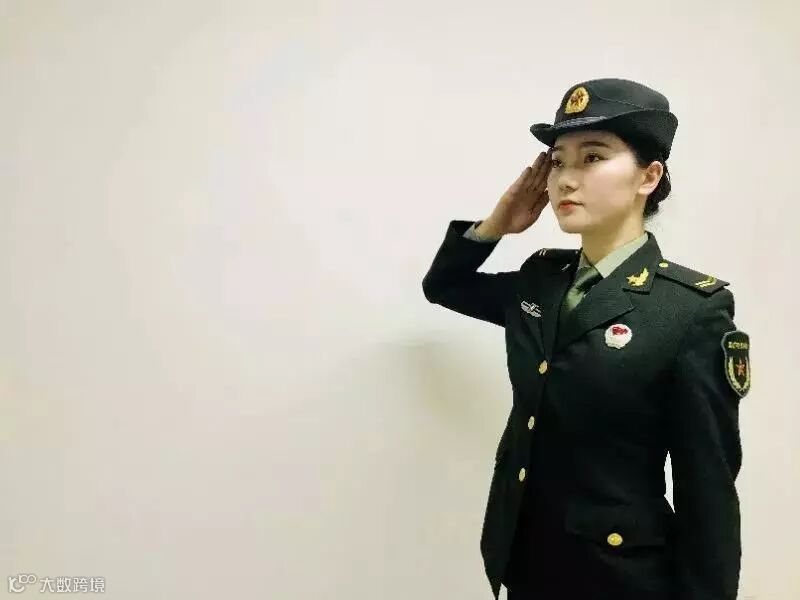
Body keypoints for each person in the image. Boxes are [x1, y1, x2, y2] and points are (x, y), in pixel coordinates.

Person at [421, 78, 751, 600]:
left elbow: (707, 492)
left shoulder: (690, 310)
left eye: (592, 157)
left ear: (648, 176)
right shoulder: (541, 281)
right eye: (557, 161)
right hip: (526, 563)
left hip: (620, 578)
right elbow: (444, 287)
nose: (566, 180)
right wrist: (497, 224)